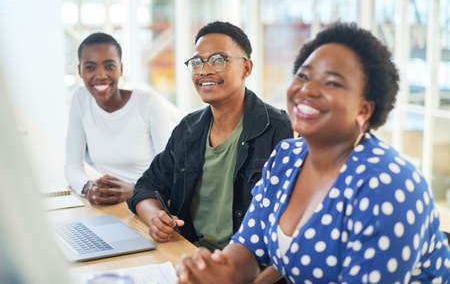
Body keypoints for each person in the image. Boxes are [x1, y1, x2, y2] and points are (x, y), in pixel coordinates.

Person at [176, 23, 450, 283]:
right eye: (303, 76)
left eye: (332, 83)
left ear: (364, 110)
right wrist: (218, 270)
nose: (308, 90)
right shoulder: (287, 158)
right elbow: (249, 246)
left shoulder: (387, 185)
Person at [127, 21, 293, 250]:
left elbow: (286, 223)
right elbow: (146, 187)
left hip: (244, 265)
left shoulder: (277, 128)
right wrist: (154, 217)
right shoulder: (188, 128)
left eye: (218, 60)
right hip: (189, 253)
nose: (204, 71)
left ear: (246, 68)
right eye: (197, 62)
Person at [65, 32, 179, 205]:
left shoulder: (148, 103)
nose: (101, 75)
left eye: (109, 66)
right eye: (90, 67)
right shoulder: (80, 99)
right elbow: (72, 166)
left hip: (152, 203)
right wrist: (88, 187)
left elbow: (171, 175)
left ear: (121, 68)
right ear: (79, 70)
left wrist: (134, 190)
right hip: (112, 205)